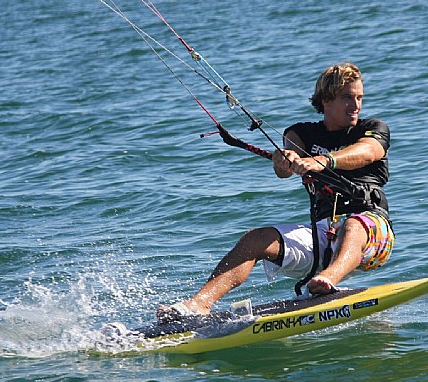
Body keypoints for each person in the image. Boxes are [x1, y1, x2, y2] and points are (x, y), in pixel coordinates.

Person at [157, 62, 395, 321]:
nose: (356, 105)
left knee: (353, 225)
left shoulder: (372, 128)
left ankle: (325, 282)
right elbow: (285, 167)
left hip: (373, 232)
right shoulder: (302, 132)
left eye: (359, 97)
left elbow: (369, 151)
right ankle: (198, 304)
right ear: (326, 100)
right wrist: (284, 159)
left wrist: (324, 161)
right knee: (255, 239)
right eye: (347, 97)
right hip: (322, 235)